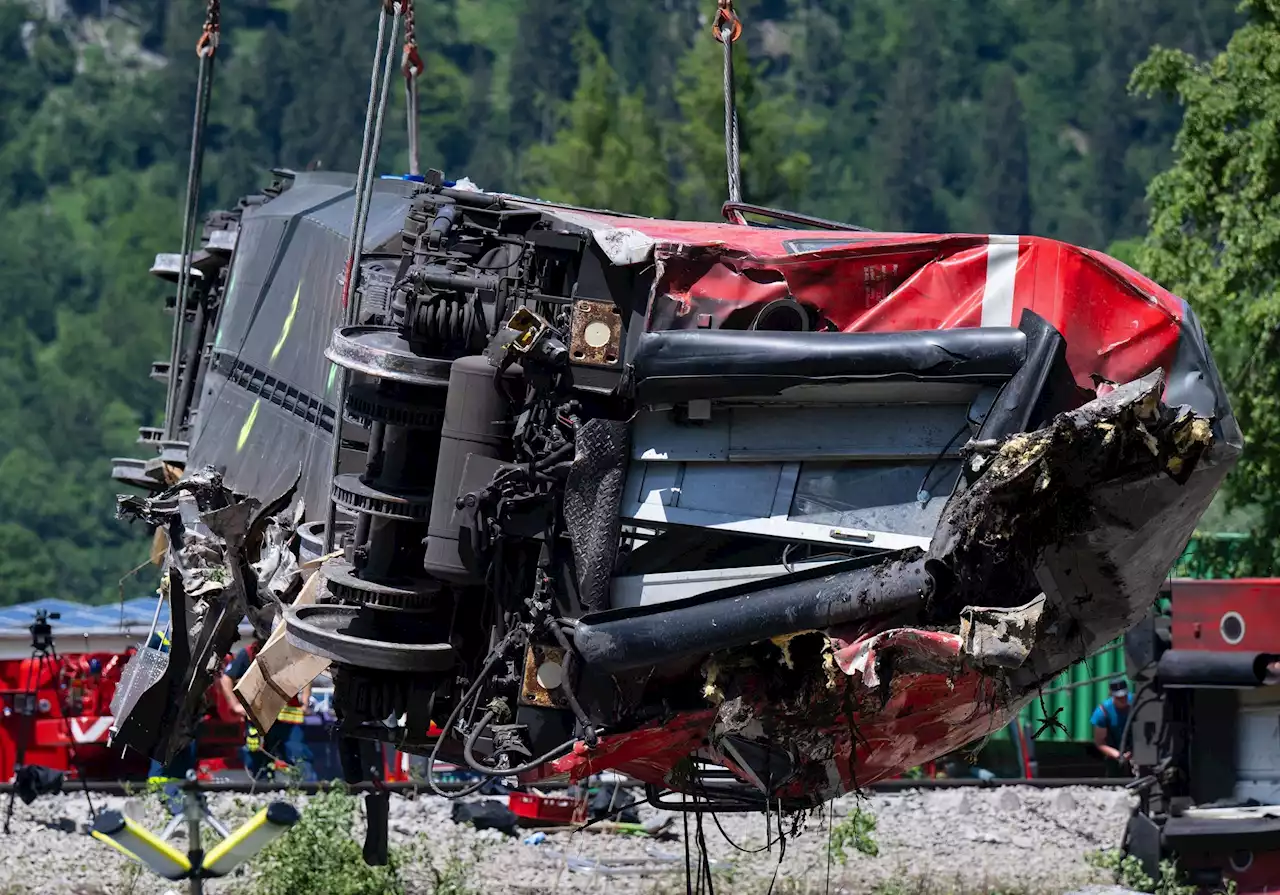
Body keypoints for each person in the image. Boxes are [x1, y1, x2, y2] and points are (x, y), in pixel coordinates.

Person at [218, 638, 316, 782]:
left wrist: (306, 700)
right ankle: (261, 791)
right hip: (260, 719)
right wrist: (235, 706)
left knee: (298, 757)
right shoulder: (249, 653)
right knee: (258, 760)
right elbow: (226, 678)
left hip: (287, 719)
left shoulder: (290, 651)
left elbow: (307, 671)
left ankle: (306, 791)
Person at [1091, 678, 1132, 775]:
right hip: (1114, 751)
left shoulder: (1137, 703)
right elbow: (1100, 743)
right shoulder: (1102, 712)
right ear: (1112, 695)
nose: (1122, 699)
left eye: (1124, 696)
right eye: (1119, 697)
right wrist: (1117, 755)